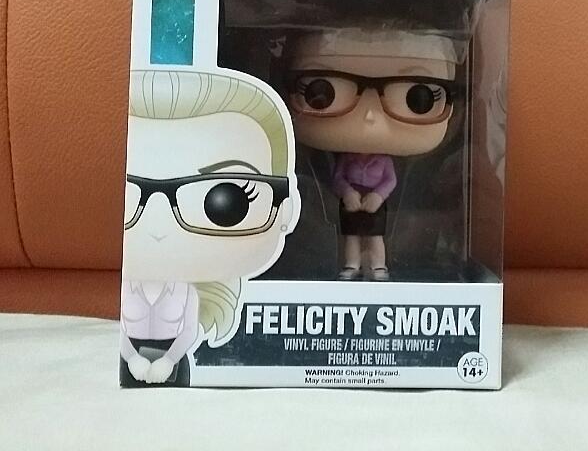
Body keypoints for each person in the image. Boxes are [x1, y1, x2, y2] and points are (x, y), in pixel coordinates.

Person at [120, 69, 299, 386]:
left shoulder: (188, 294)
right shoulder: (124, 288)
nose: (159, 227)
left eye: (226, 201)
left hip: (175, 364)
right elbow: (118, 331)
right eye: (125, 192)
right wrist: (132, 359)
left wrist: (168, 361)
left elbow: (189, 330)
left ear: (287, 207)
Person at [286, 26, 457, 281]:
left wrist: (378, 196)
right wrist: (347, 193)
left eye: (417, 98)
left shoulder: (385, 161)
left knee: (375, 236)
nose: (369, 116)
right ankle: (352, 265)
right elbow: (338, 178)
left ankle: (378, 266)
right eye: (322, 91)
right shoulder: (346, 160)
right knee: (352, 236)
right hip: (352, 200)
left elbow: (390, 180)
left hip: (375, 202)